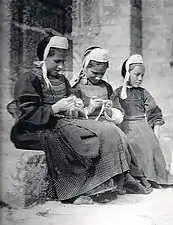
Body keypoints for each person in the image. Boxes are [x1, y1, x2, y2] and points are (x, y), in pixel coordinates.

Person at [7, 35, 146, 205]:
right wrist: (54, 108)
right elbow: (26, 114)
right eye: (57, 61)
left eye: (63, 61)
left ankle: (109, 183)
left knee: (108, 131)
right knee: (81, 140)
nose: (61, 66)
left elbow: (69, 104)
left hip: (61, 123)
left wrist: (77, 107)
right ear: (44, 57)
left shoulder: (61, 80)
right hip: (33, 129)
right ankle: (78, 190)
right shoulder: (30, 78)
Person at [70, 46, 152, 194]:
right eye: (94, 73)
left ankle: (121, 179)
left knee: (120, 136)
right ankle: (108, 181)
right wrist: (88, 109)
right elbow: (70, 115)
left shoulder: (106, 87)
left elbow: (119, 113)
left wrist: (109, 110)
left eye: (102, 74)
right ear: (84, 67)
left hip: (105, 124)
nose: (98, 77)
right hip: (83, 125)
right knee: (110, 135)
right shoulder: (75, 88)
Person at [114, 54, 173, 188]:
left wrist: (155, 135)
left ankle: (153, 177)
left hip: (142, 127)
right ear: (127, 73)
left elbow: (154, 113)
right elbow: (114, 113)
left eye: (142, 75)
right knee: (129, 144)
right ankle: (134, 178)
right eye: (137, 75)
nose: (140, 78)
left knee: (149, 144)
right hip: (125, 128)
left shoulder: (143, 93)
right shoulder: (117, 93)